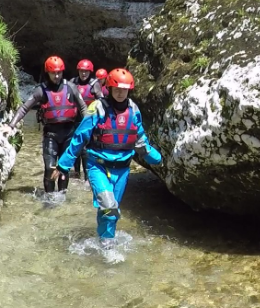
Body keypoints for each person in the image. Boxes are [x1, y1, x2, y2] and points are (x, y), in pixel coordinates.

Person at [54, 68, 162, 245]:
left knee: (110, 211)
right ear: (109, 88)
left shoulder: (134, 110)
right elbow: (80, 137)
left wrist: (154, 157)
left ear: (129, 90)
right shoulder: (97, 108)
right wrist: (63, 164)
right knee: (109, 206)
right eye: (117, 88)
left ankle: (106, 243)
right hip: (98, 166)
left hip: (122, 169)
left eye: (124, 89)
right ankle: (106, 248)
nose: (120, 93)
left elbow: (139, 137)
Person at [9, 56, 88, 193]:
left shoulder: (71, 88)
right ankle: (50, 198)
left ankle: (62, 197)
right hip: (51, 134)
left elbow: (83, 108)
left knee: (64, 169)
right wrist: (11, 125)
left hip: (69, 133)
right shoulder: (41, 90)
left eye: (59, 72)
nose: (56, 76)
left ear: (63, 72)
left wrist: (89, 128)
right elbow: (24, 108)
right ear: (48, 73)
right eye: (53, 73)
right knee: (49, 168)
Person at [69, 59, 104, 181]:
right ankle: (77, 173)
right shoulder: (72, 82)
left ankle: (87, 177)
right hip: (74, 119)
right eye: (82, 71)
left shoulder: (94, 84)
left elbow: (101, 101)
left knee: (85, 149)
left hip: (89, 120)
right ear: (78, 71)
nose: (84, 74)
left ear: (90, 72)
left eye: (86, 71)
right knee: (74, 146)